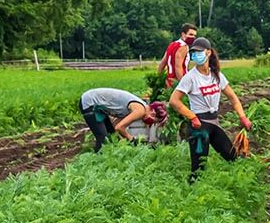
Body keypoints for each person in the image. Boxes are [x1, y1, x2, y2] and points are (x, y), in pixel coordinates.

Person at [169, 37, 251, 179]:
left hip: (214, 122)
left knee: (232, 157)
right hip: (199, 126)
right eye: (193, 52)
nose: (195, 55)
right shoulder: (190, 78)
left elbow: (233, 98)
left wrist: (242, 117)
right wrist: (192, 117)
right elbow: (174, 101)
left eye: (199, 52)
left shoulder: (216, 75)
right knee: (198, 169)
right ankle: (192, 194)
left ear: (208, 52)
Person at [78, 88, 164, 153]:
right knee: (103, 140)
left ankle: (104, 159)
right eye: (154, 120)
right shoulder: (140, 110)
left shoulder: (138, 107)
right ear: (153, 112)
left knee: (111, 137)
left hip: (99, 108)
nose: (151, 122)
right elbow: (120, 127)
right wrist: (132, 140)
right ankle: (96, 163)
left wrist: (120, 140)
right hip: (89, 102)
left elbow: (116, 126)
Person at [159, 23, 199, 88]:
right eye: (191, 34)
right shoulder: (183, 47)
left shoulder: (172, 45)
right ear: (183, 34)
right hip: (177, 81)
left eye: (194, 35)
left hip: (169, 81)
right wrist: (183, 86)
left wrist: (159, 80)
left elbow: (162, 64)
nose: (193, 37)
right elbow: (178, 68)